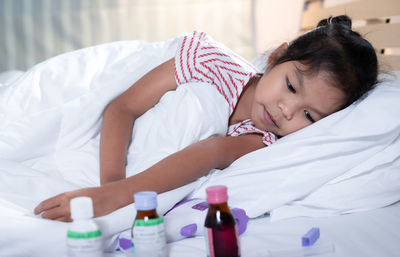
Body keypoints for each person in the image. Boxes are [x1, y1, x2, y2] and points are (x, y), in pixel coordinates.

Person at [34, 15, 378, 222]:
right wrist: (109, 188)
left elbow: (211, 152)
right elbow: (122, 107)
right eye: (290, 85)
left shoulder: (262, 141)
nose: (287, 110)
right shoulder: (211, 61)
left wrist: (119, 195)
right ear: (275, 57)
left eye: (309, 115)